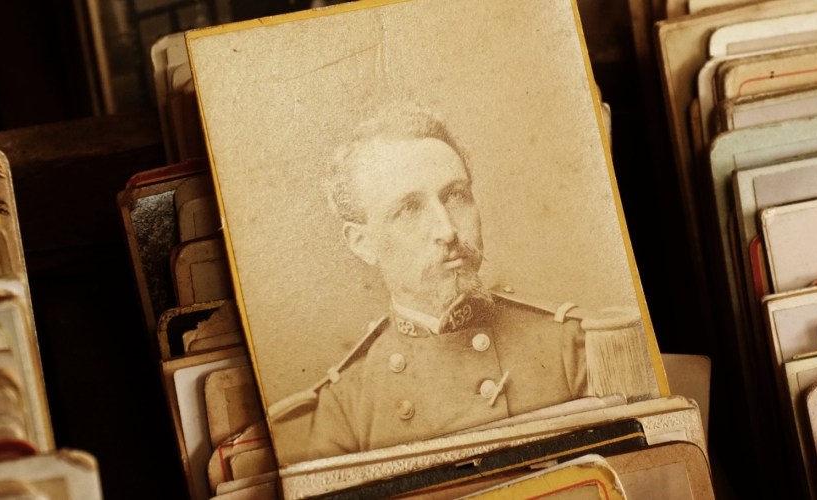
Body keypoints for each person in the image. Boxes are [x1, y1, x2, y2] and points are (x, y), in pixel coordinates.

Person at [269, 104, 650, 462]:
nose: (448, 230)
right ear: (363, 243)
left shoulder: (575, 348)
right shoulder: (343, 409)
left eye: (455, 196)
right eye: (409, 209)